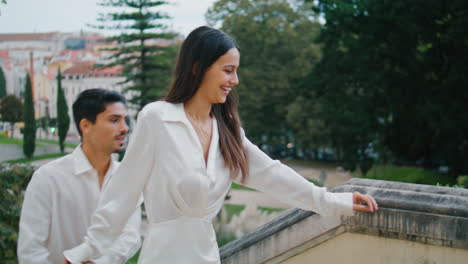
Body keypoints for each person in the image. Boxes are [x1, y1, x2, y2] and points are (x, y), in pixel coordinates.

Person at [64, 26, 378, 264]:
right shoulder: (157, 119)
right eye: (228, 70)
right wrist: (88, 250)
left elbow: (273, 174)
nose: (235, 80)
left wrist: (337, 201)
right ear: (198, 68)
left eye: (236, 71)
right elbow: (123, 193)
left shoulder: (227, 131)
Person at [18, 89, 142, 264]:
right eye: (114, 120)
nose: (125, 128)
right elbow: (30, 250)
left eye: (124, 119)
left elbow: (131, 237)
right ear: (85, 126)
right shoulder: (47, 178)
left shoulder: (127, 178)